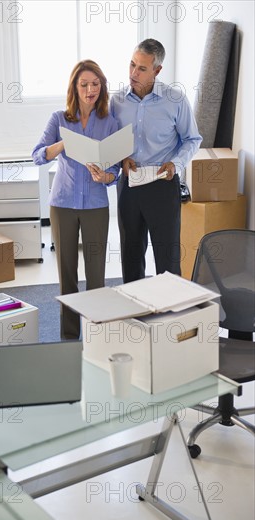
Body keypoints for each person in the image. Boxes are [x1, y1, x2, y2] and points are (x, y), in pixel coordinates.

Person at [32, 59, 120, 340]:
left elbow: (116, 169)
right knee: (66, 275)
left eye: (95, 84)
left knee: (96, 277)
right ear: (75, 87)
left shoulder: (110, 122)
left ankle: (97, 338)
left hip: (96, 206)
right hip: (63, 205)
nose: (90, 89)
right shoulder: (58, 119)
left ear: (101, 87)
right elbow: (37, 156)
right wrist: (62, 145)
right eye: (84, 84)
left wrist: (108, 177)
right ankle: (69, 338)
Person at [110, 38, 202, 282]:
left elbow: (193, 139)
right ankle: (135, 314)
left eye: (141, 68)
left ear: (157, 70)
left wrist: (177, 163)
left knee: (167, 259)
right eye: (131, 65)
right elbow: (108, 139)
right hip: (129, 186)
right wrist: (121, 159)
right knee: (130, 256)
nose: (133, 73)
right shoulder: (116, 101)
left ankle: (172, 316)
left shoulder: (175, 100)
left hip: (163, 185)